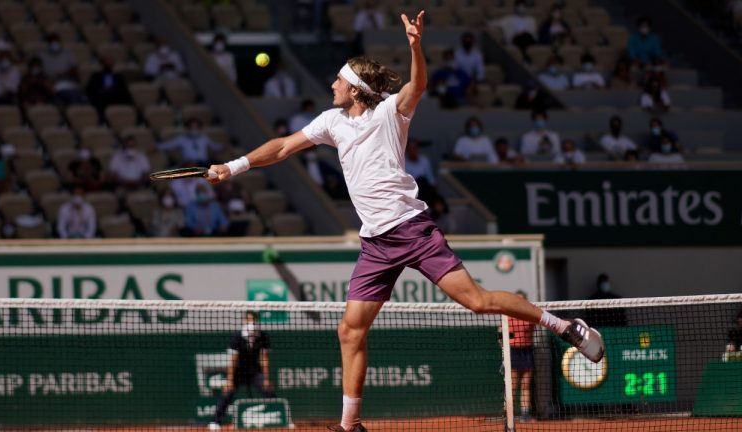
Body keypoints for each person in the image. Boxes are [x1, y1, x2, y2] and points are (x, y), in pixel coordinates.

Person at [207, 12, 604, 431]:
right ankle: (350, 425)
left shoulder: (390, 115)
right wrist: (232, 167)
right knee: (350, 330)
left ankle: (565, 326)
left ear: (356, 89)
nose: (332, 86)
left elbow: (418, 86)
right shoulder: (331, 122)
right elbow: (284, 146)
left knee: (477, 301)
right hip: (375, 244)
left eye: (339, 81)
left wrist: (415, 46)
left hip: (413, 230)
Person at [208, 311, 276, 431]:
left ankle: (281, 418)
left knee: (268, 390)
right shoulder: (237, 337)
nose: (251, 322)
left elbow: (264, 358)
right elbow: (233, 360)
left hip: (255, 371)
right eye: (248, 320)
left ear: (257, 321)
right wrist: (229, 380)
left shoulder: (263, 336)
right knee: (227, 393)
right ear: (244, 321)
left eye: (253, 320)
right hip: (238, 372)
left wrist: (266, 378)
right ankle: (215, 421)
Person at [504, 290, 536, 422]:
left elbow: (533, 329)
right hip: (512, 351)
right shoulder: (507, 315)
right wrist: (503, 350)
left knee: (526, 385)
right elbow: (501, 331)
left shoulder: (529, 315)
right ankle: (507, 414)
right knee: (512, 385)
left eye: (521, 299)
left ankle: (525, 415)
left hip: (527, 351)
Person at [39, 33, 86, 105]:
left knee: (75, 96)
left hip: (66, 82)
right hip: (50, 84)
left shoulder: (67, 54)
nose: (54, 44)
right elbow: (38, 72)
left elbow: (75, 69)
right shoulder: (42, 56)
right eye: (52, 42)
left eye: (56, 42)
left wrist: (65, 73)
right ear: (48, 44)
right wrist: (46, 82)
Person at [158, 118, 224, 166]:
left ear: (199, 128)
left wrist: (223, 146)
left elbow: (214, 146)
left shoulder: (204, 138)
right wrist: (156, 147)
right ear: (188, 128)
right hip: (189, 164)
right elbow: (168, 145)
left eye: (196, 127)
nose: (194, 130)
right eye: (192, 127)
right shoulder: (182, 139)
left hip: (204, 163)